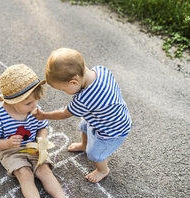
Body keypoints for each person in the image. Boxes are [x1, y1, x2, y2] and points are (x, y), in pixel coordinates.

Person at [0, 64, 74, 198]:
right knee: (24, 174)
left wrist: (42, 140)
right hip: (10, 150)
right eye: (28, 103)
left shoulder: (34, 108)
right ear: (11, 102)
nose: (34, 106)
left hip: (33, 146)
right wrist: (6, 143)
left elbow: (42, 127)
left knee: (44, 170)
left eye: (36, 100)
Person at [33, 48, 132, 183]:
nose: (64, 91)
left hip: (113, 130)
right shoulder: (100, 70)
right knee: (84, 125)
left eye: (63, 89)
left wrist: (44, 115)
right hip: (111, 115)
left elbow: (64, 113)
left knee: (95, 154)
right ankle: (84, 145)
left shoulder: (85, 99)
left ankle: (103, 170)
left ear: (74, 82)